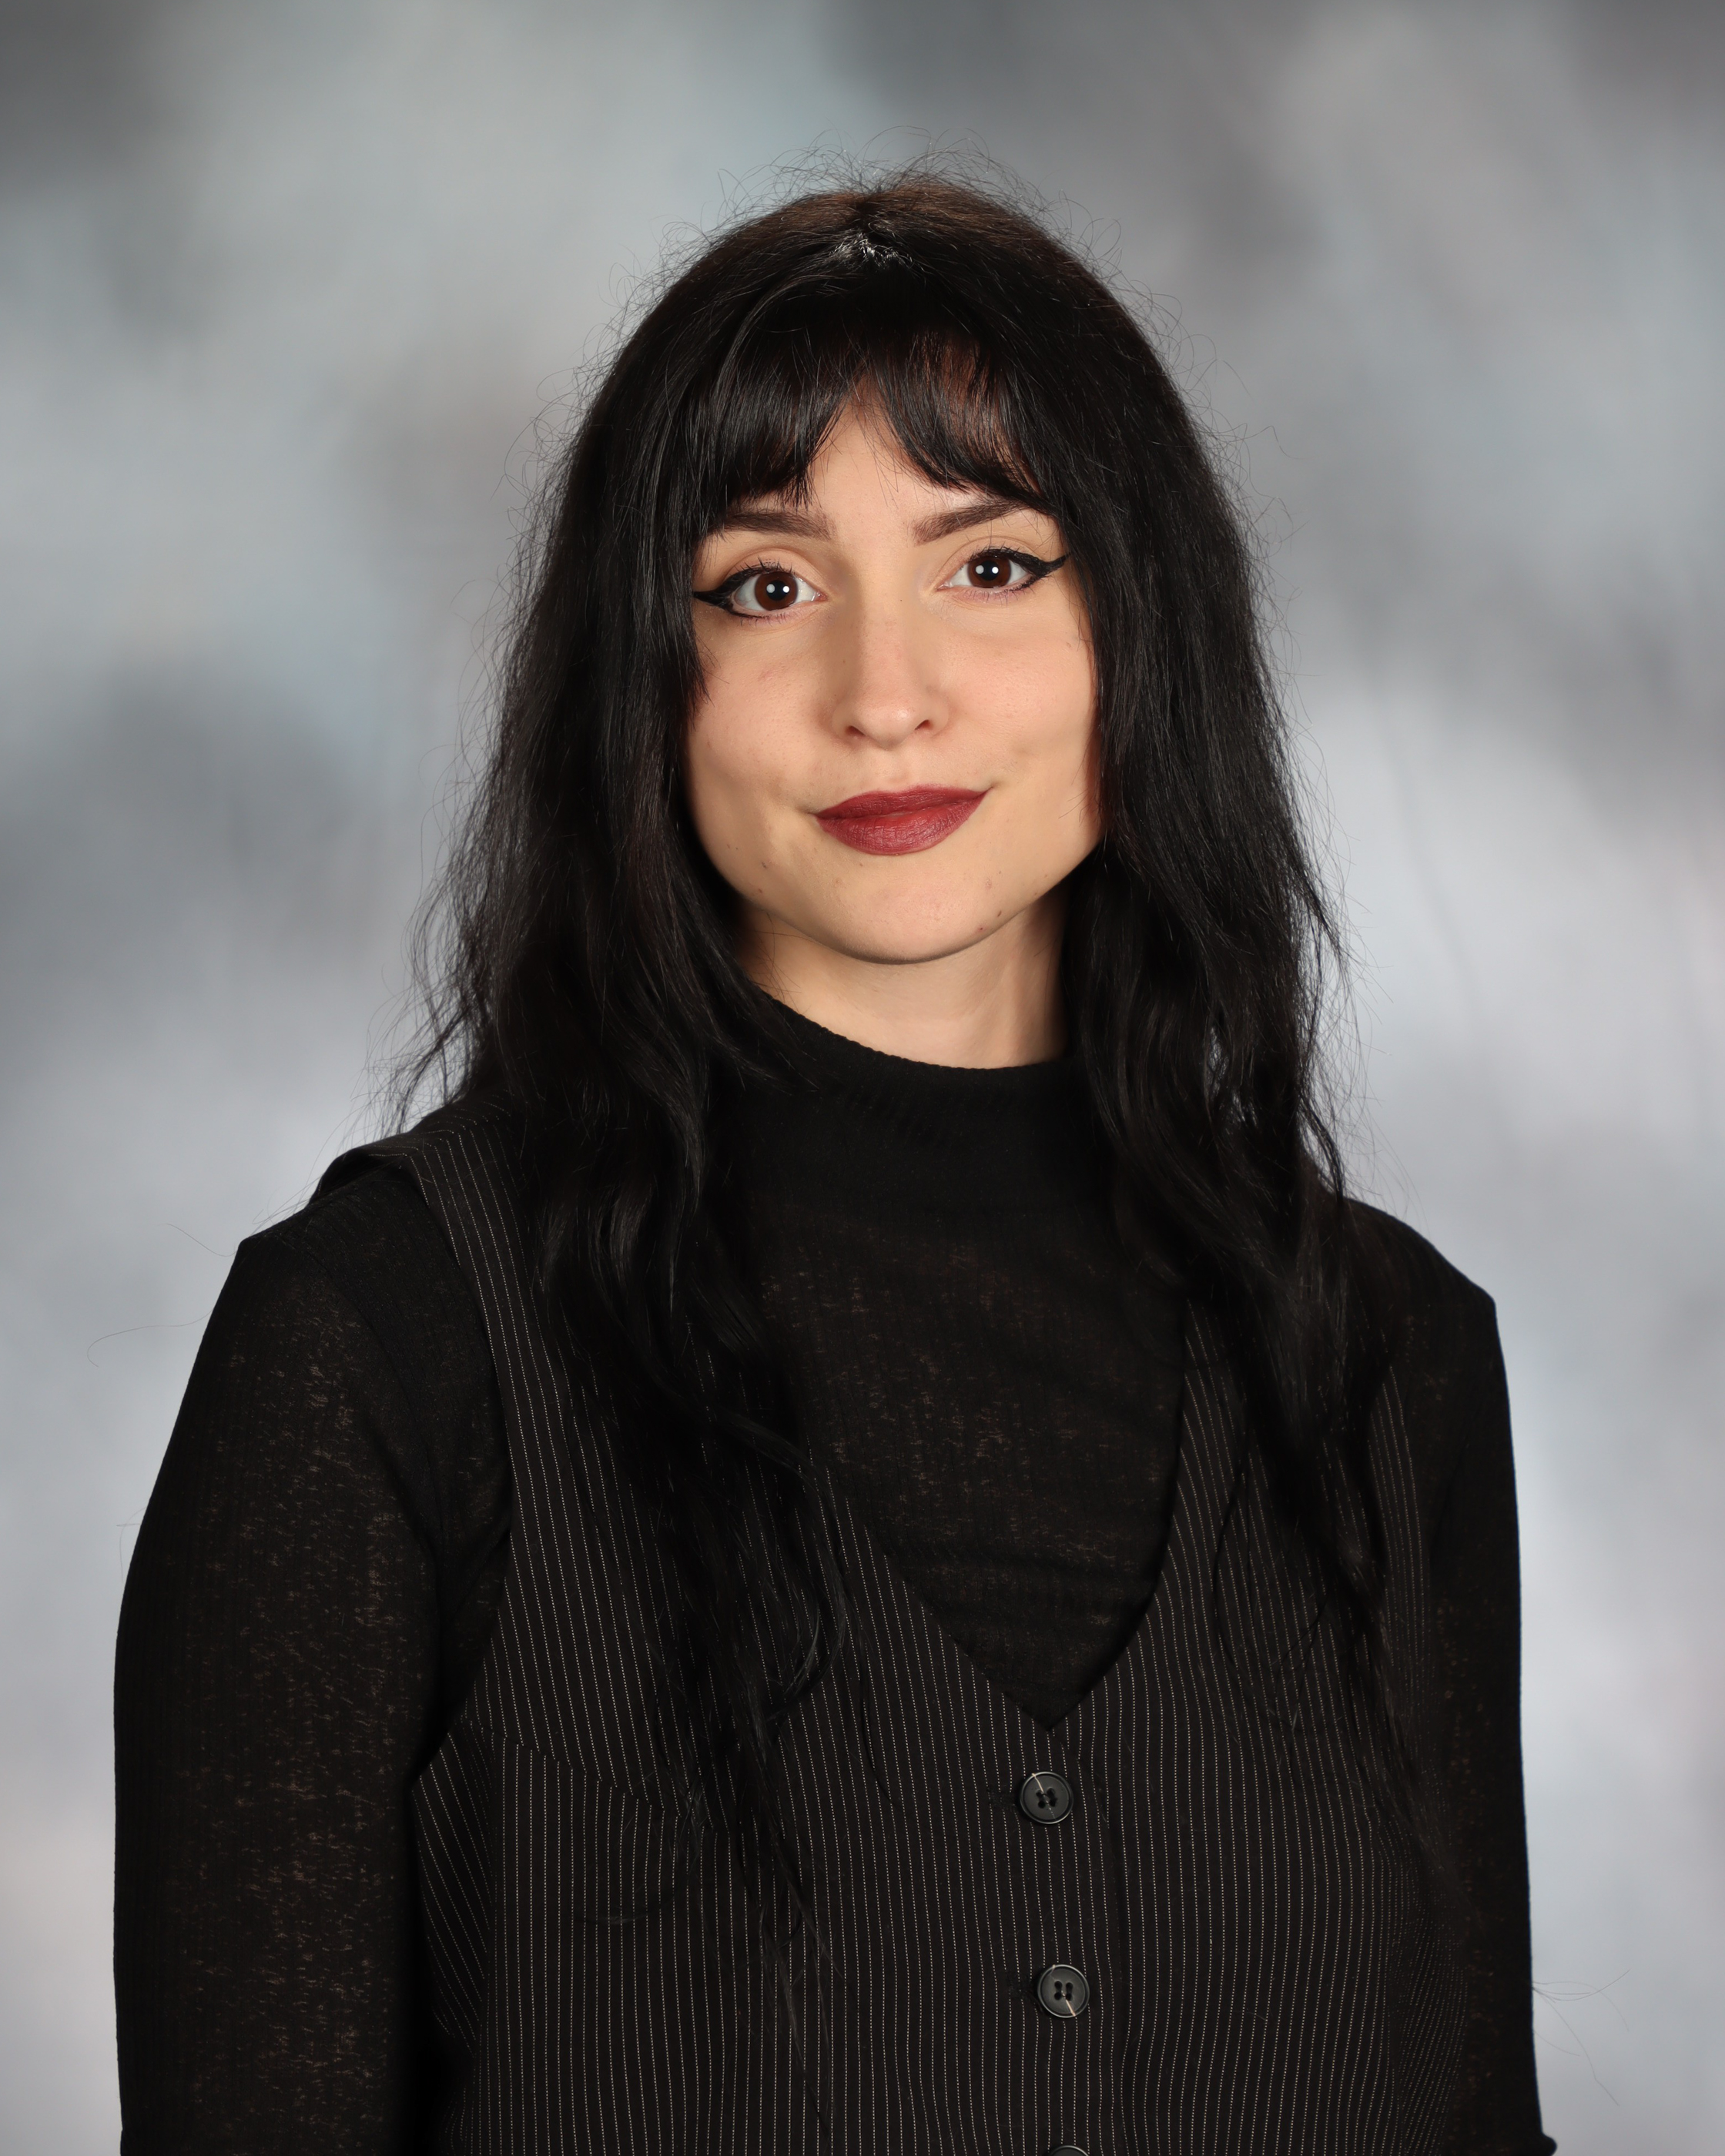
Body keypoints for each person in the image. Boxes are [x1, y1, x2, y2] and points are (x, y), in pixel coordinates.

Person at [114, 174, 1555, 2155]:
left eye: (993, 564)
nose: (885, 693)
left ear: (1145, 629)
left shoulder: (1387, 1358)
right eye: (764, 586)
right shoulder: (374, 1348)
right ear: (643, 679)